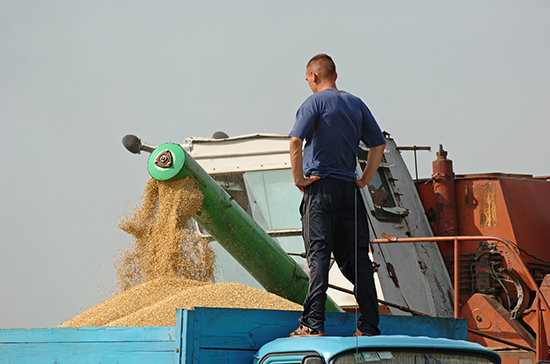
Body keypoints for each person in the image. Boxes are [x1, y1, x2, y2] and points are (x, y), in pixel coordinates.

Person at [288, 54, 386, 337]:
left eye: (308, 78)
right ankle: (368, 327)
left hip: (321, 189)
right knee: (358, 259)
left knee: (319, 256)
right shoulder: (355, 103)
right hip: (349, 191)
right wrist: (363, 180)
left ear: (314, 76)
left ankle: (312, 324)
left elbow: (295, 140)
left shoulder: (314, 103)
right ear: (335, 75)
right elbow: (377, 145)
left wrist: (299, 178)